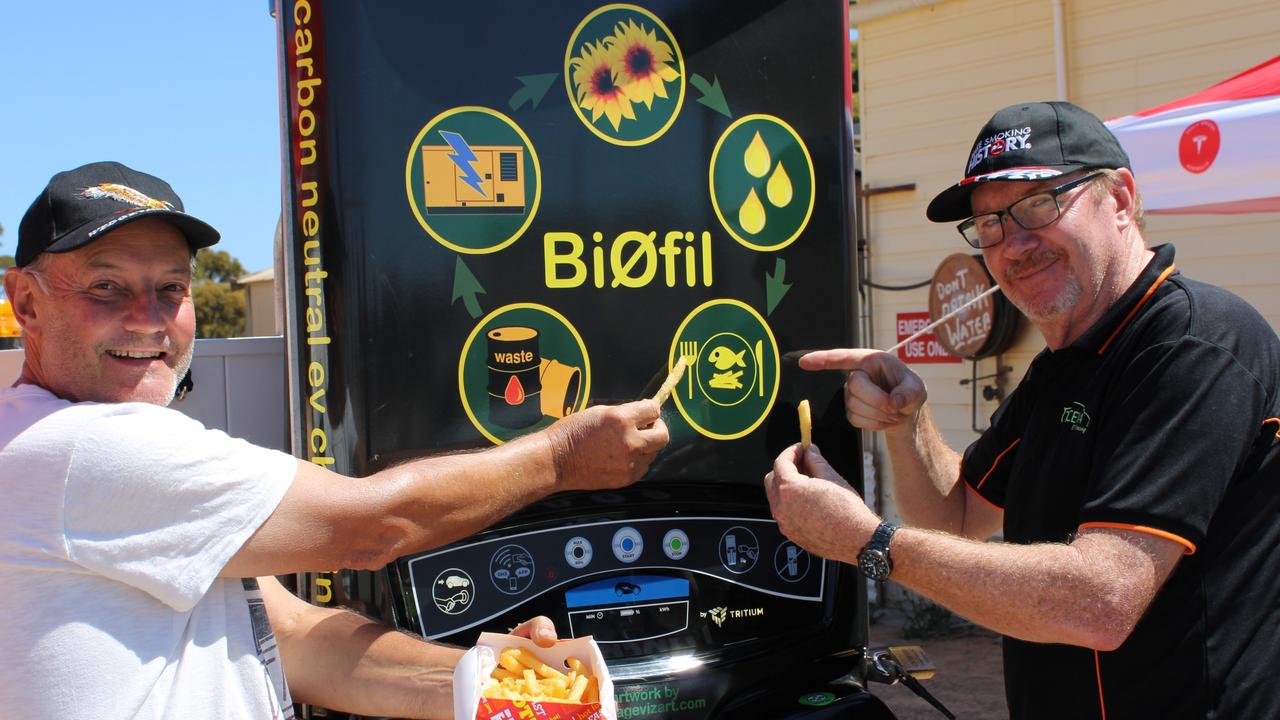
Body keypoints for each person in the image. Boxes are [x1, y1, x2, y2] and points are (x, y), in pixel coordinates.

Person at [0, 161, 670, 719]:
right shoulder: (78, 446)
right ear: (25, 302)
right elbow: (373, 525)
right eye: (106, 286)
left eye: (171, 287)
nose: (148, 319)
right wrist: (560, 458)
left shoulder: (71, 454)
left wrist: (490, 680)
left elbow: (296, 639)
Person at [764, 102, 1280, 719]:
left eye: (1039, 204)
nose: (1014, 244)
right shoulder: (1065, 364)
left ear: (1120, 199)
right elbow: (956, 517)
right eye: (988, 226)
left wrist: (868, 543)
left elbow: (1101, 601)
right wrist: (909, 423)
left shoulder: (1197, 345)